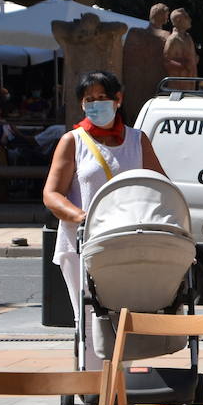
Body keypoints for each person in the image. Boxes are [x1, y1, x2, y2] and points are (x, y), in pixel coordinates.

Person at [43, 71, 164, 368]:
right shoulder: (73, 141)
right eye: (89, 100)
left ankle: (121, 388)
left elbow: (159, 185)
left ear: (118, 100)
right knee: (89, 318)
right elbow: (52, 193)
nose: (96, 105)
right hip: (84, 243)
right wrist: (81, 216)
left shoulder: (138, 140)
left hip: (128, 243)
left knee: (124, 318)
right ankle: (93, 391)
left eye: (102, 98)